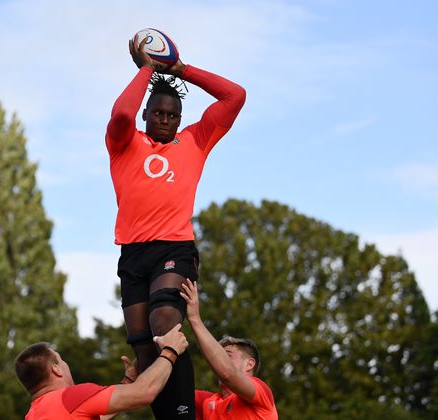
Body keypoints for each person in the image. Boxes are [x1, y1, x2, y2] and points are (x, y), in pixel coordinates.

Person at [105, 33, 246, 419]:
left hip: (175, 248)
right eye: (158, 113)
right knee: (144, 347)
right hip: (133, 253)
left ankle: (183, 415)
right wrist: (147, 71)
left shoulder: (196, 140)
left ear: (180, 119)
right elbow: (120, 115)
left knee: (165, 321)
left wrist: (182, 70)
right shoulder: (123, 143)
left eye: (172, 115)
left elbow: (235, 96)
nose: (166, 120)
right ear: (147, 114)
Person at [14, 324, 188, 419]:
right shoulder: (70, 398)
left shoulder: (33, 415)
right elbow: (144, 393)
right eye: (61, 360)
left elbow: (95, 414)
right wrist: (170, 350)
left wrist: (127, 381)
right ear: (56, 369)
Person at [181, 279, 278, 419]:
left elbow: (228, 374)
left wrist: (195, 318)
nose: (220, 360)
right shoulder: (208, 402)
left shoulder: (261, 392)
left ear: (249, 364)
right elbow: (171, 390)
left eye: (227, 355)